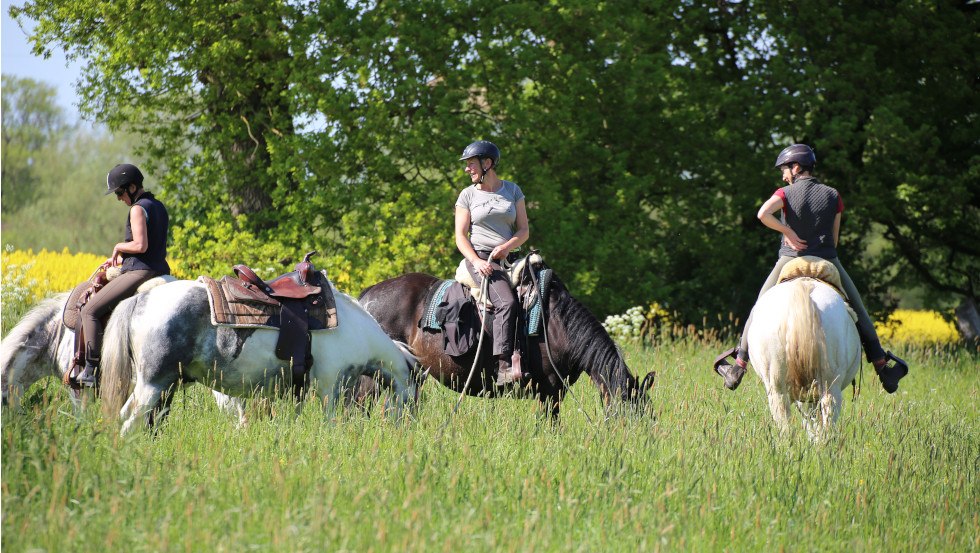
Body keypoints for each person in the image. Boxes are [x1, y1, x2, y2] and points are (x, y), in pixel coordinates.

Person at [713, 144, 908, 393]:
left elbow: (763, 214)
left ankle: (738, 365)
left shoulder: (784, 193)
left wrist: (788, 232)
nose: (784, 175)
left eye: (785, 169)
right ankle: (882, 367)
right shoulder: (833, 195)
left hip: (790, 260)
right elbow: (835, 240)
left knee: (758, 306)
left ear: (796, 167)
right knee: (858, 308)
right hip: (827, 260)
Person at [76, 163, 171, 387]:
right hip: (159, 268)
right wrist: (119, 257)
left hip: (140, 271)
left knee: (89, 310)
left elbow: (140, 245)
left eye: (119, 192)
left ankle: (90, 370)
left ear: (132, 187)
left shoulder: (137, 208)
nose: (118, 198)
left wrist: (119, 246)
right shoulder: (158, 205)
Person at [454, 140, 530, 385]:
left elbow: (524, 230)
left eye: (471, 164)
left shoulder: (513, 190)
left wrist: (506, 247)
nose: (467, 169)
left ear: (487, 164)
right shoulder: (467, 195)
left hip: (509, 256)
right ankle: (504, 365)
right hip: (481, 259)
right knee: (507, 302)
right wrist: (476, 261)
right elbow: (460, 236)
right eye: (467, 165)